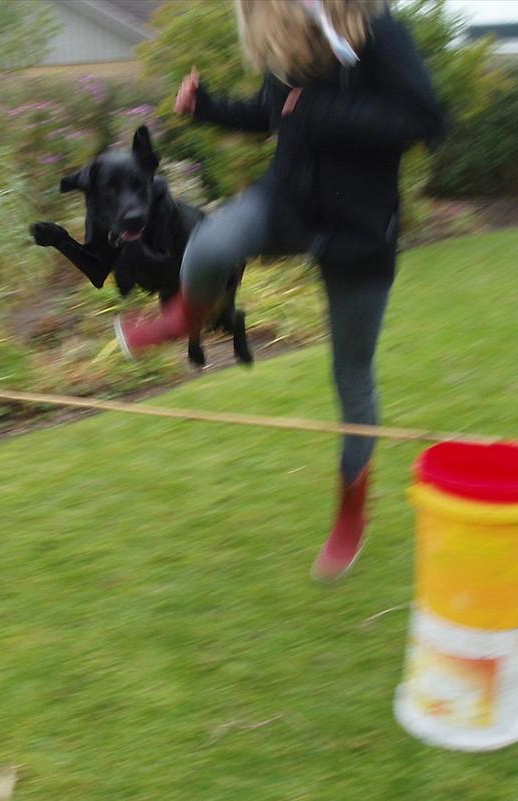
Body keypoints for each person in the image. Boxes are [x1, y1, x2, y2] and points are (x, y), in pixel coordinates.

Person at [115, 0, 446, 582]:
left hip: (359, 227)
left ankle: (350, 515)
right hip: (286, 202)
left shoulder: (379, 31)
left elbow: (425, 120)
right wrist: (208, 107)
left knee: (353, 373)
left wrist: (319, 111)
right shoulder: (296, 40)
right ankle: (187, 316)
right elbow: (276, 114)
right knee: (212, 247)